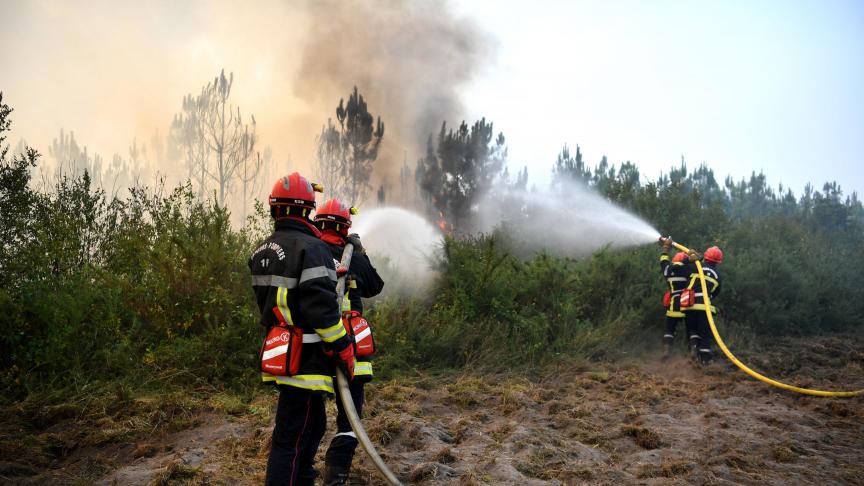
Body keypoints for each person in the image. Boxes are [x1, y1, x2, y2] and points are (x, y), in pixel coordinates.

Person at [249, 173, 356, 486]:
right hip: (308, 359)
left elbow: (288, 294)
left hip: (282, 352)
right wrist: (344, 347)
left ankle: (305, 479)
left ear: (274, 209)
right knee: (292, 439)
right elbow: (322, 311)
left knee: (311, 425)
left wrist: (324, 273)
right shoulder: (313, 248)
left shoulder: (261, 251)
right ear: (308, 209)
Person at [313, 198, 385, 486]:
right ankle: (335, 475)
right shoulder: (349, 255)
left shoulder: (311, 251)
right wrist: (360, 252)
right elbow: (375, 286)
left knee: (307, 418)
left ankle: (302, 471)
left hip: (312, 350)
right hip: (348, 349)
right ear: (345, 228)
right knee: (350, 420)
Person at [682, 246, 723, 364]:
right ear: (718, 262)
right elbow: (716, 293)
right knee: (705, 334)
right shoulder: (717, 276)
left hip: (689, 304)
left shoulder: (697, 266)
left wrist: (689, 259)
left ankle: (693, 348)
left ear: (705, 256)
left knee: (692, 330)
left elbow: (682, 268)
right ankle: (705, 361)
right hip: (705, 307)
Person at [659, 240, 690, 359]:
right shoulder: (689, 270)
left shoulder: (668, 270)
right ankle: (690, 353)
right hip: (687, 303)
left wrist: (666, 247)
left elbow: (663, 260)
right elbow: (699, 262)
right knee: (691, 329)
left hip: (674, 304)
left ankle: (666, 350)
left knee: (669, 329)